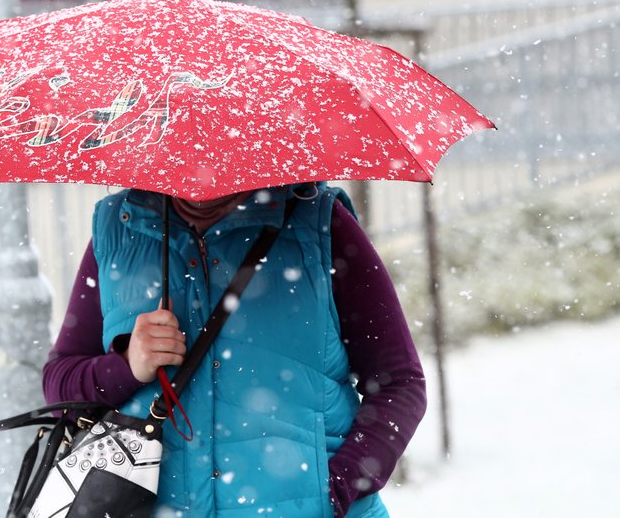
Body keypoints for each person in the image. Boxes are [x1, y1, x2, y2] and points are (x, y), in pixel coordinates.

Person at [42, 182, 426, 517]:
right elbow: (59, 387)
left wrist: (340, 487)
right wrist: (126, 367)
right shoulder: (119, 230)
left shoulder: (320, 224)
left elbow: (400, 383)